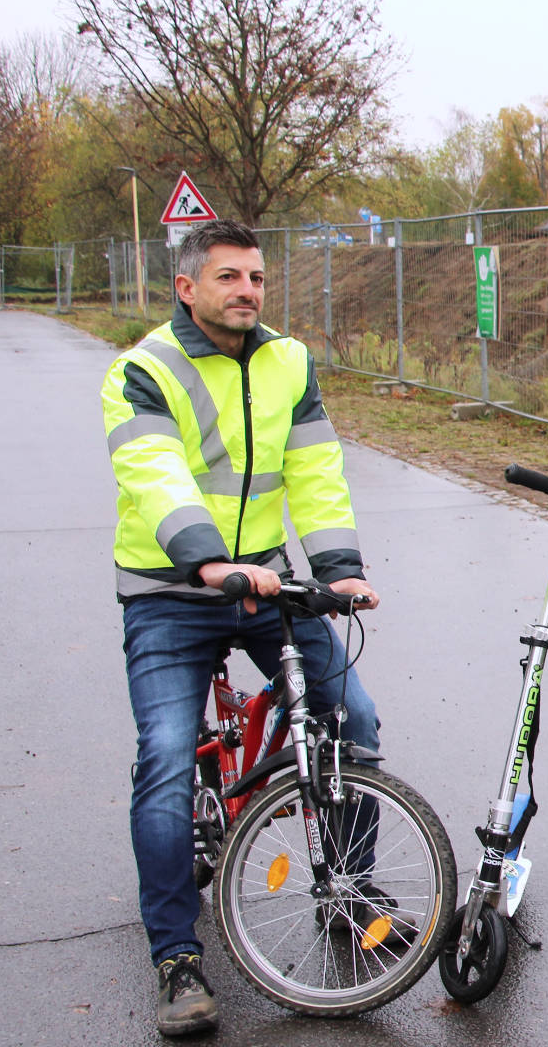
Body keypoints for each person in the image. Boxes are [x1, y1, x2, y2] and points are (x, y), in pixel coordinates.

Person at [102, 219, 383, 1037]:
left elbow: (315, 469)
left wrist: (338, 570)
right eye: (229, 277)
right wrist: (203, 561)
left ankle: (350, 890)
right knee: (163, 757)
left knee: (351, 717)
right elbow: (152, 472)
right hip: (168, 589)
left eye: (257, 277)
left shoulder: (287, 360)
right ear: (187, 286)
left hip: (264, 581)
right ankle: (175, 957)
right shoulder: (142, 369)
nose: (248, 291)